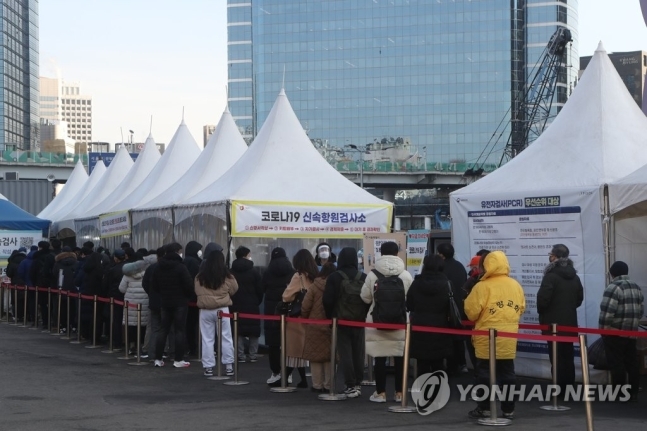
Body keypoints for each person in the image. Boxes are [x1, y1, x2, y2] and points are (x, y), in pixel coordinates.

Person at [464, 250, 525, 420]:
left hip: (486, 336)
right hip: (508, 335)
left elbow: (471, 312)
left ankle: (485, 408)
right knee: (508, 372)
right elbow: (521, 308)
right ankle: (508, 409)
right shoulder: (515, 285)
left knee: (484, 373)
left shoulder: (482, 286)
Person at [360, 241, 413, 403]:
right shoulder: (405, 275)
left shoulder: (373, 275)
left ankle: (381, 393)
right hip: (399, 320)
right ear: (397, 253)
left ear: (381, 254)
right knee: (400, 357)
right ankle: (399, 393)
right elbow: (410, 298)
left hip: (378, 320)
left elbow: (365, 297)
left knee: (380, 357)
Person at [537, 244, 584, 393]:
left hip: (553, 325)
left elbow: (542, 300)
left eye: (551, 254)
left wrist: (544, 314)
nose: (549, 257)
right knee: (568, 357)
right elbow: (579, 299)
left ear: (555, 257)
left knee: (556, 358)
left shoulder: (550, 276)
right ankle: (569, 388)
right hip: (570, 323)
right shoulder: (575, 277)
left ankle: (559, 389)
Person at [323, 247, 369, 398]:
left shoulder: (334, 277)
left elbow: (327, 300)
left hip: (341, 320)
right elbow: (368, 299)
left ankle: (350, 384)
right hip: (359, 321)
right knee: (358, 352)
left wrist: (331, 317)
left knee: (345, 353)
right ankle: (358, 382)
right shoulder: (363, 277)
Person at [599, 261, 644, 401]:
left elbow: (607, 312)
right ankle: (633, 392)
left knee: (616, 363)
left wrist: (603, 330)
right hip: (632, 332)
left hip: (615, 332)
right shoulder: (636, 287)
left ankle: (619, 393)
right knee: (632, 362)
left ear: (612, 273)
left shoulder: (613, 287)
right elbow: (641, 311)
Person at [406, 254, 453, 377]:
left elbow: (409, 304)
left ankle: (422, 387)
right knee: (439, 363)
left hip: (420, 326)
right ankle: (440, 386)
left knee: (422, 363)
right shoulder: (447, 284)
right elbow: (451, 306)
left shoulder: (416, 283)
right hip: (441, 325)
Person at [195, 249, 238, 377]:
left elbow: (197, 291)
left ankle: (208, 367)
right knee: (226, 337)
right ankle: (229, 366)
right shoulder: (227, 276)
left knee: (207, 339)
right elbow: (234, 289)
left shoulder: (199, 277)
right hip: (222, 309)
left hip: (205, 310)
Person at [152, 243, 194, 368]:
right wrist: (186, 296)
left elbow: (154, 285)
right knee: (179, 330)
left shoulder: (158, 267)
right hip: (180, 302)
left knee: (163, 329)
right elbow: (189, 285)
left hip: (165, 302)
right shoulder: (181, 267)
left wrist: (163, 293)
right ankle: (178, 359)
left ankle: (158, 359)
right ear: (176, 251)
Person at [281, 249, 318, 388]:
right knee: (301, 349)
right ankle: (302, 380)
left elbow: (286, 296)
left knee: (294, 349)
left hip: (297, 317)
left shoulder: (298, 276)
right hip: (311, 316)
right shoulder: (315, 275)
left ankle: (284, 379)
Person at [262, 247, 296, 386]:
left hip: (272, 311)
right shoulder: (292, 272)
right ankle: (288, 374)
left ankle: (275, 372)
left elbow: (262, 288)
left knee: (274, 343)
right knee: (288, 342)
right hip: (288, 309)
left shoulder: (267, 272)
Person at [302, 262, 336, 393]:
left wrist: (305, 317)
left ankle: (317, 385)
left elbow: (305, 306)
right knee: (330, 356)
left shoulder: (314, 286)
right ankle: (328, 385)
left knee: (315, 357)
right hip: (332, 324)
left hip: (314, 325)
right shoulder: (337, 285)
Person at [437, 243, 468, 374]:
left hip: (445, 308)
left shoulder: (440, 268)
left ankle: (450, 366)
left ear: (442, 255)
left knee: (447, 338)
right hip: (459, 307)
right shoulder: (460, 266)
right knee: (458, 337)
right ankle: (462, 364)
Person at [230, 246, 263, 363]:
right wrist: (256, 301)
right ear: (246, 255)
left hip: (235, 304)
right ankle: (253, 355)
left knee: (238, 330)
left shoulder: (231, 271)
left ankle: (240, 355)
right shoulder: (254, 272)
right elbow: (260, 290)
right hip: (252, 304)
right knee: (254, 331)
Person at [119, 251, 155, 356]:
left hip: (130, 304)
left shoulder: (127, 274)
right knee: (145, 326)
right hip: (145, 302)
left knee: (131, 326)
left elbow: (121, 289)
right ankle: (143, 346)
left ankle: (132, 346)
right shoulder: (148, 272)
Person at [143, 247, 172, 360]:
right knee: (166, 328)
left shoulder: (151, 268)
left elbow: (145, 284)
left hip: (153, 302)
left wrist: (151, 294)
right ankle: (163, 351)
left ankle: (152, 353)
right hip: (166, 302)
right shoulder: (170, 268)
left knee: (154, 328)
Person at [183, 240, 203, 358]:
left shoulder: (185, 261)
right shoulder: (195, 262)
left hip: (186, 298)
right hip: (194, 298)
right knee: (194, 324)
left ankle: (190, 347)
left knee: (188, 324)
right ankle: (194, 347)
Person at [30, 241, 56, 329]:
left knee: (43, 304)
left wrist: (34, 283)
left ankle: (45, 322)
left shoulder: (36, 258)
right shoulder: (53, 256)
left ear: (40, 247)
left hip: (40, 284)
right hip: (52, 284)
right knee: (52, 303)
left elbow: (32, 272)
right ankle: (53, 321)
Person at [52, 246, 77, 334]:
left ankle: (64, 326)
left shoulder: (58, 263)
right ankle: (73, 325)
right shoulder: (76, 262)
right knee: (73, 308)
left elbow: (54, 273)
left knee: (62, 308)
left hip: (61, 287)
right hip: (73, 288)